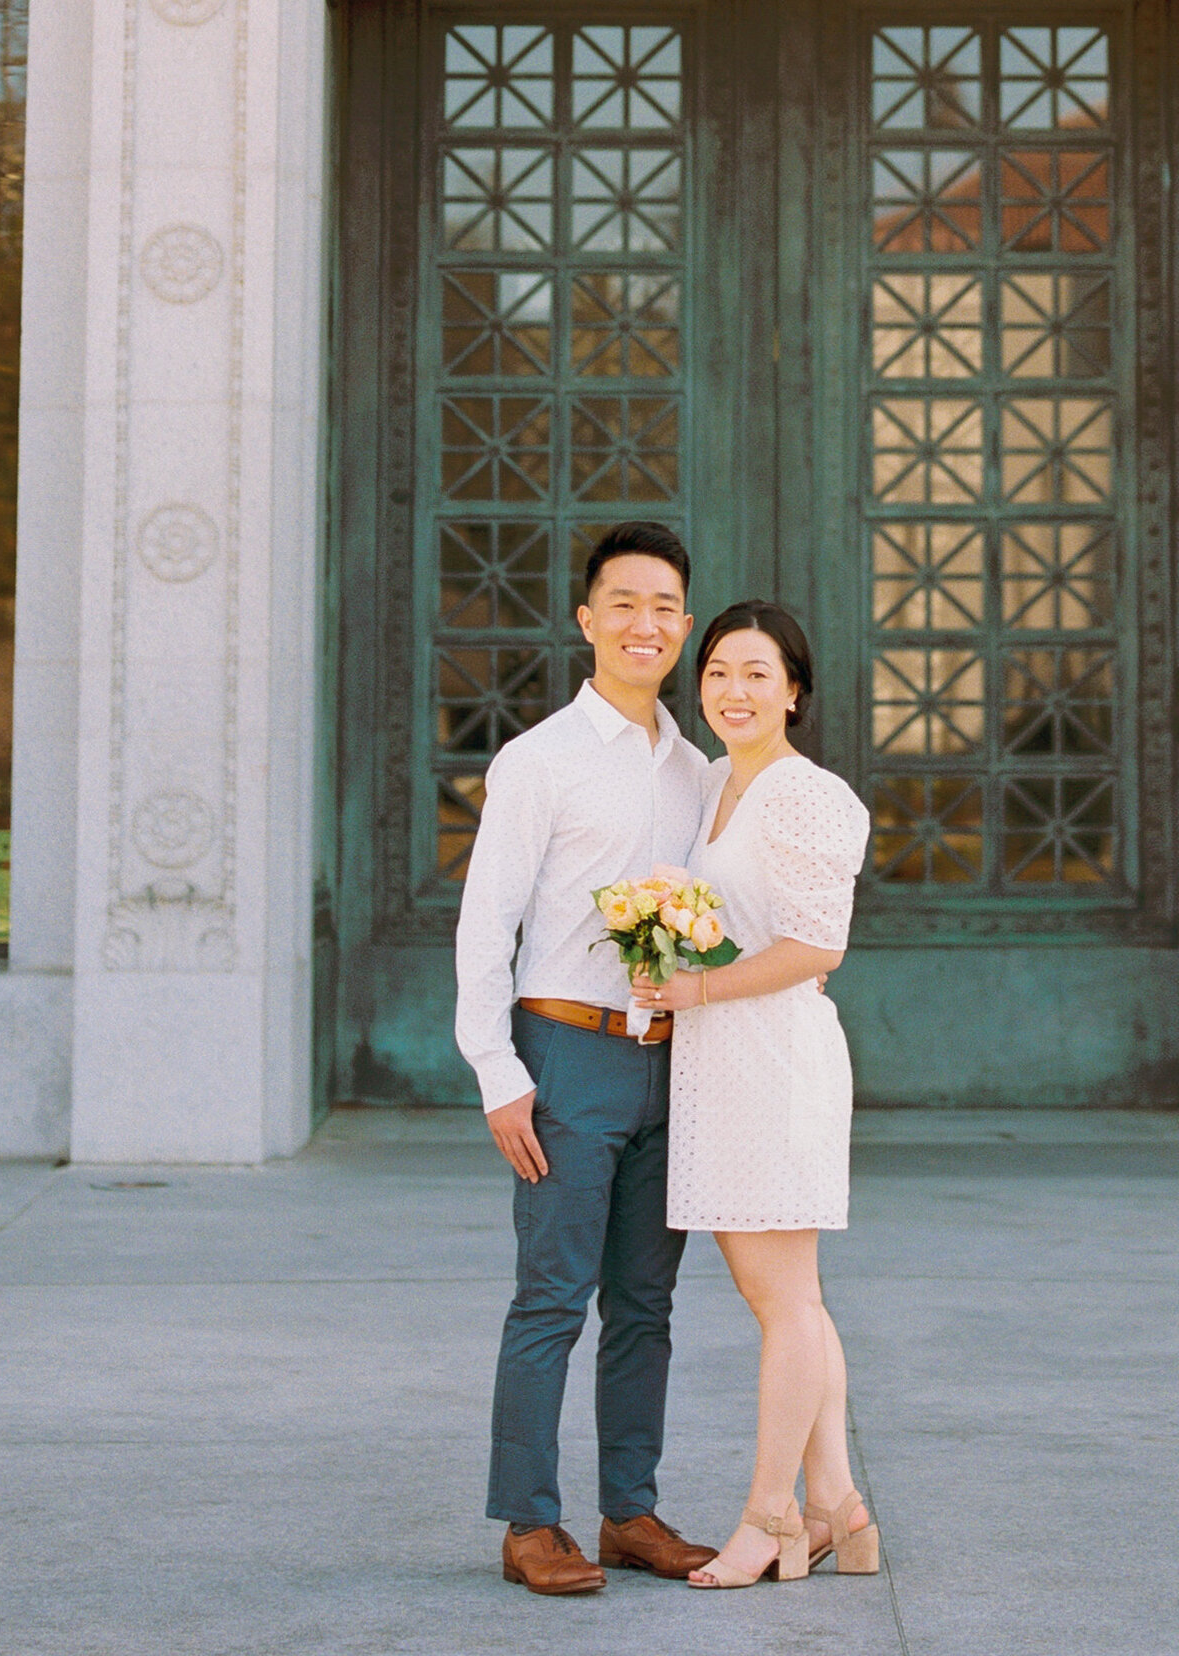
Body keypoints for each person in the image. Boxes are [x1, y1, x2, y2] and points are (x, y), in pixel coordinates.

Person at [453, 523, 722, 1598]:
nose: (644, 623)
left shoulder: (701, 772)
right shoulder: (538, 762)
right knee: (551, 1298)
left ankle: (629, 1510)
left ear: (684, 625)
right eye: (623, 603)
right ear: (586, 621)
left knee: (646, 1305)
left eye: (663, 605)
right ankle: (528, 1523)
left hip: (672, 1063)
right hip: (563, 1056)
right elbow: (487, 924)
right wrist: (496, 1070)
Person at [628, 601, 880, 1590]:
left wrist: (695, 987)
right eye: (719, 672)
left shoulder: (801, 795)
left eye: (757, 674)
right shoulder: (720, 789)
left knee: (783, 1302)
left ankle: (771, 1515)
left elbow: (820, 945)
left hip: (775, 1064)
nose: (733, 690)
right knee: (788, 1299)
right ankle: (839, 1508)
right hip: (727, 1062)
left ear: (794, 692)